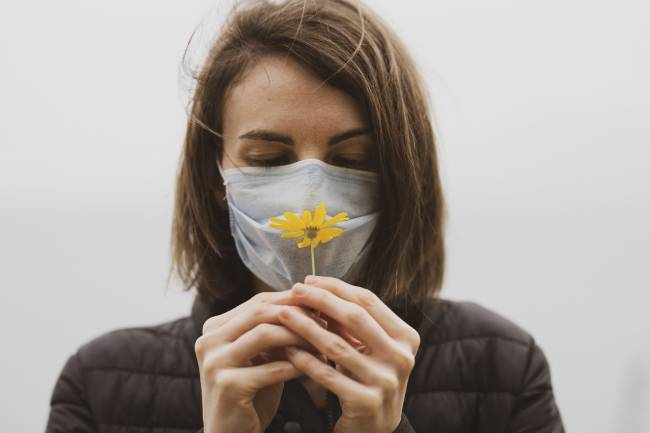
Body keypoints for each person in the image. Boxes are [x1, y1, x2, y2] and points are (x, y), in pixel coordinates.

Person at [45, 1, 565, 432]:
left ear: (402, 177)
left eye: (353, 160)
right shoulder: (97, 385)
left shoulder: (504, 369)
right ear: (216, 179)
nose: (308, 196)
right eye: (269, 160)